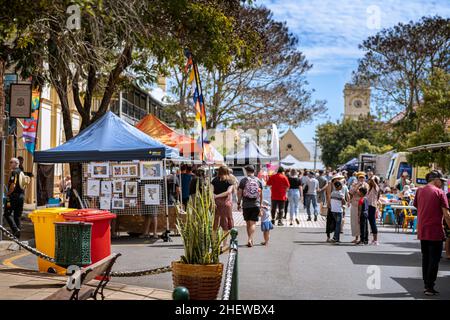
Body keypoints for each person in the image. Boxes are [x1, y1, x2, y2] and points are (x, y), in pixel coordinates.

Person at [413, 170, 450, 296]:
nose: (442, 184)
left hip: (423, 230)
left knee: (426, 258)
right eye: (441, 181)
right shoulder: (440, 192)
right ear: (436, 179)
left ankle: (426, 284)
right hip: (435, 230)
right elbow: (447, 215)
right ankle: (429, 286)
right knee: (434, 259)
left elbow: (418, 206)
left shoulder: (419, 190)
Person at [237, 165, 263, 247]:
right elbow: (261, 194)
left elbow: (240, 193)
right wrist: (260, 205)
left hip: (246, 205)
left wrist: (238, 203)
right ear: (253, 171)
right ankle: (250, 239)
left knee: (248, 223)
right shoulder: (258, 180)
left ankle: (249, 239)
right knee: (253, 223)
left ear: (246, 171)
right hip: (256, 204)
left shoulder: (243, 180)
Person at [211, 166, 234, 249]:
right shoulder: (230, 181)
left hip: (215, 203)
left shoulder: (214, 180)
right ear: (227, 171)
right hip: (225, 203)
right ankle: (225, 244)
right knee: (225, 224)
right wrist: (218, 196)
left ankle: (214, 244)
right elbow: (228, 192)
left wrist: (215, 197)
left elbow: (211, 191)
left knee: (215, 223)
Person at [4, 158, 25, 237]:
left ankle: (15, 229)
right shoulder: (21, 172)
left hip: (13, 196)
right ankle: (17, 236)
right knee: (17, 216)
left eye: (10, 162)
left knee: (7, 213)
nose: (9, 164)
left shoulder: (14, 172)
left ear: (16, 163)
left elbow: (13, 185)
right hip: (21, 196)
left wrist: (8, 194)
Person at [349, 172, 369, 243]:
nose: (361, 179)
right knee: (354, 221)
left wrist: (360, 188)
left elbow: (365, 194)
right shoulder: (354, 184)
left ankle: (362, 238)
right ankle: (356, 237)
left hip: (362, 204)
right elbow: (351, 192)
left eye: (363, 177)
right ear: (357, 178)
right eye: (360, 177)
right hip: (354, 204)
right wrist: (357, 187)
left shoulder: (366, 185)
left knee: (361, 221)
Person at [367, 176, 380, 245]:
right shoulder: (369, 188)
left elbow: (372, 180)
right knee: (368, 222)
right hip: (368, 206)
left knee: (372, 222)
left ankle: (375, 240)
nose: (369, 181)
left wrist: (373, 177)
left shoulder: (376, 187)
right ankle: (369, 238)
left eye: (371, 180)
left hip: (372, 206)